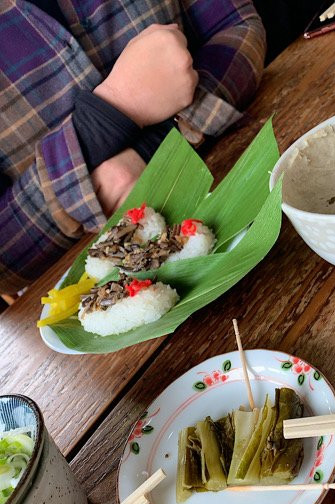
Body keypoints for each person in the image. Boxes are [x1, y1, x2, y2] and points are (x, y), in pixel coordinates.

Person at [0, 0, 266, 295]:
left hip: (246, 173)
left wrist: (155, 143)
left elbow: (238, 26)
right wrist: (111, 110)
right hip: (107, 293)